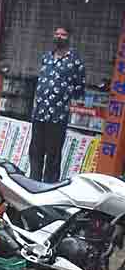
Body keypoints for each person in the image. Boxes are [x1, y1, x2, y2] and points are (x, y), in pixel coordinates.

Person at [30, 25, 85, 183]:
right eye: (57, 33)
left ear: (69, 37)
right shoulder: (46, 57)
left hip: (58, 115)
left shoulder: (75, 61)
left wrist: (63, 95)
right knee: (35, 151)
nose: (59, 36)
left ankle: (49, 186)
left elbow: (79, 88)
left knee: (53, 155)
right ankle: (33, 182)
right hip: (40, 113)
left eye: (63, 34)